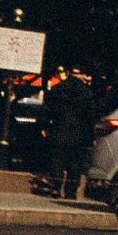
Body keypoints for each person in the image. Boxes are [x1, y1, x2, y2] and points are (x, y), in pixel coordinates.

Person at [39, 68, 100, 200]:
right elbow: (90, 118)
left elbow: (46, 110)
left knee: (57, 161)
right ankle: (70, 192)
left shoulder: (57, 90)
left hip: (58, 129)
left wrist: (44, 126)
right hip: (79, 134)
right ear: (81, 75)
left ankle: (55, 187)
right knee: (75, 165)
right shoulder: (87, 94)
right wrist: (90, 137)